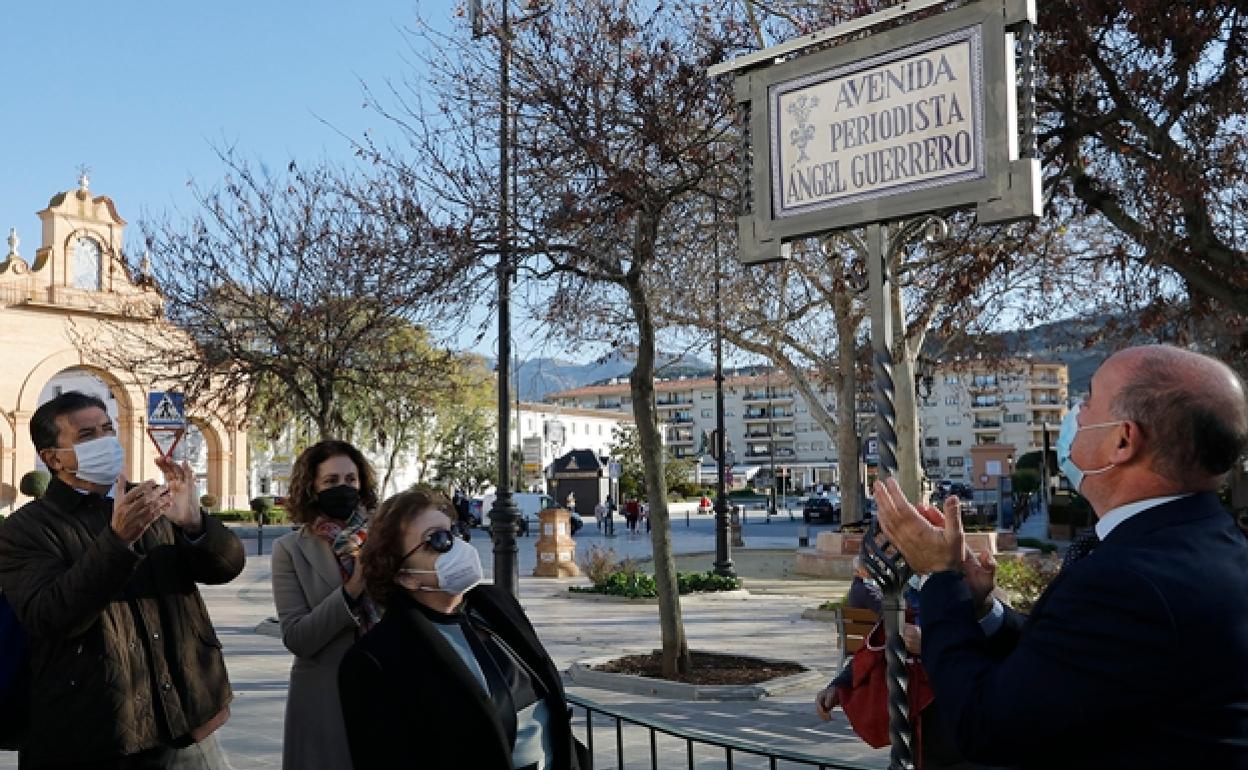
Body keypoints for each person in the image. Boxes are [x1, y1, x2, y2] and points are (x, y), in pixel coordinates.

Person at [874, 344, 1248, 769]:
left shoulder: (1131, 581)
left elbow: (986, 727)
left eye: (1087, 400)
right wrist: (980, 610)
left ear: (1123, 440)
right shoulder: (1200, 543)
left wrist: (940, 576)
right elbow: (1073, 660)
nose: (1074, 413)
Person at [0, 391, 244, 768]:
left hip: (185, 721)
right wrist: (117, 542)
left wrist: (195, 524)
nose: (105, 442)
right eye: (87, 436)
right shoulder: (25, 529)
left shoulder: (151, 500)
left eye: (107, 429)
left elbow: (226, 568)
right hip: (94, 735)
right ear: (53, 458)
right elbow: (48, 615)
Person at [338, 488, 586, 769]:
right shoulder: (374, 660)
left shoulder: (496, 604)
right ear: (405, 577)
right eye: (438, 540)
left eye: (454, 532)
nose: (456, 545)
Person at [270, 440, 381, 770]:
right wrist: (353, 588)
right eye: (331, 482)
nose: (343, 488)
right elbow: (298, 637)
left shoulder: (385, 538)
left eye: (350, 480)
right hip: (324, 699)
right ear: (312, 488)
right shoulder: (290, 549)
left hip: (388, 685)